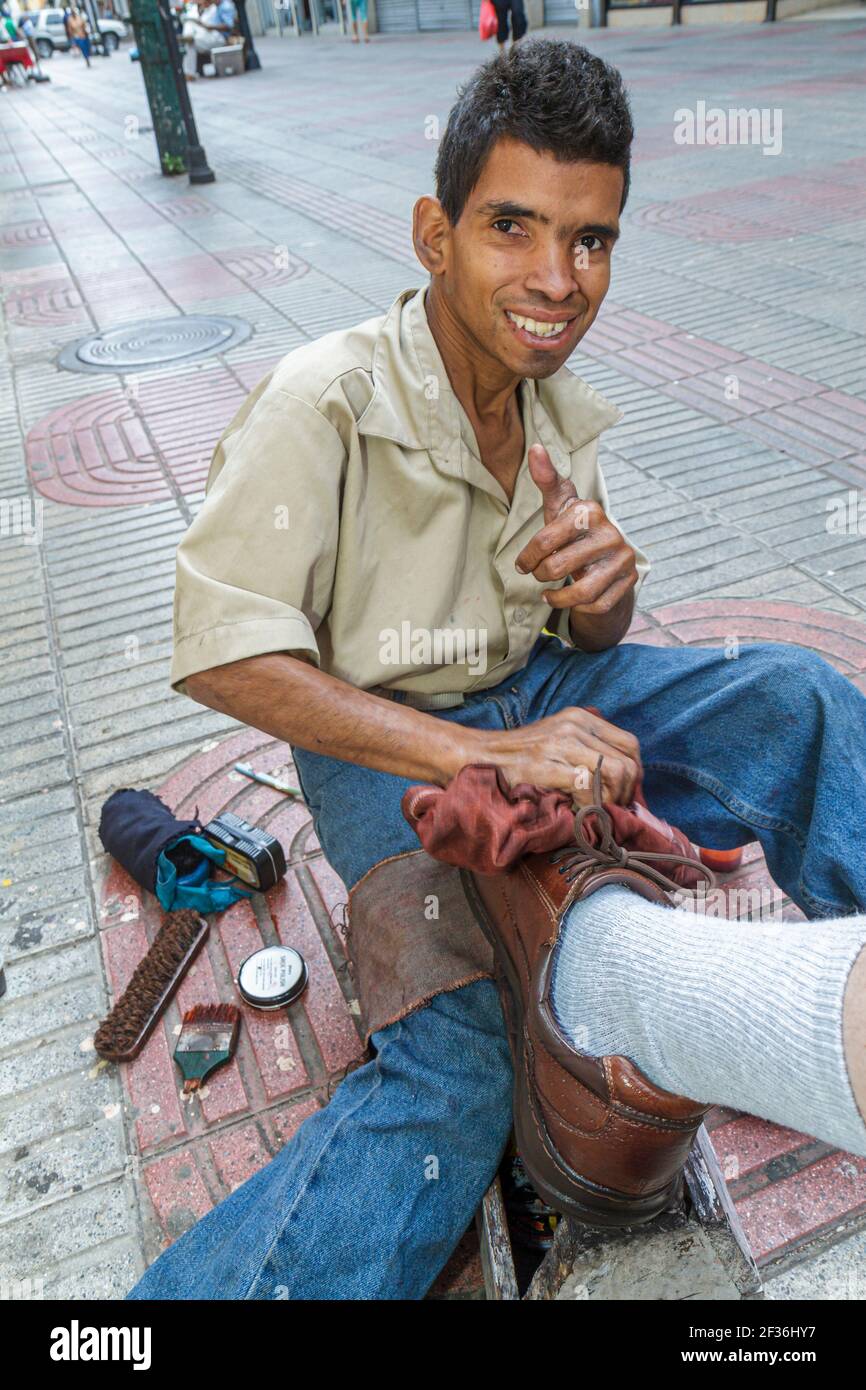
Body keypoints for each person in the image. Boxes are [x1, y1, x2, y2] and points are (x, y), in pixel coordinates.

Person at [126, 39, 866, 1300]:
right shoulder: (326, 401)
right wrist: (478, 752)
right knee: (459, 1064)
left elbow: (586, 648)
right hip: (379, 738)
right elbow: (224, 654)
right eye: (511, 228)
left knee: (796, 700)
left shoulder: (549, 397)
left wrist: (607, 597)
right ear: (433, 232)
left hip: (537, 692)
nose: (555, 279)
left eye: (590, 240)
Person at [181, 0, 236, 80]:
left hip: (219, 37)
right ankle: (187, 37)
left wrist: (210, 27)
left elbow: (229, 26)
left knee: (190, 42)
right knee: (189, 25)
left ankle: (189, 73)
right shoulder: (213, 6)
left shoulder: (224, 5)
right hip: (210, 34)